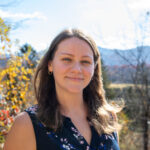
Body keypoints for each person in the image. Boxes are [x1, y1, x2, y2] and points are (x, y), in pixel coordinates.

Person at [3, 28, 121, 150]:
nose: (77, 69)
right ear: (50, 65)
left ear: (94, 68)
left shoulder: (108, 118)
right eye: (67, 59)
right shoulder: (26, 124)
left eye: (85, 61)